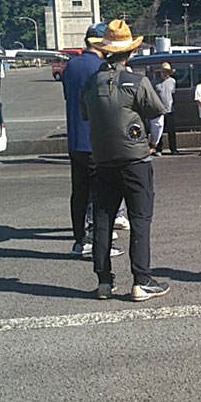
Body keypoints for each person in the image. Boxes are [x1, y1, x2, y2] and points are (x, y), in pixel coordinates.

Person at [80, 19, 169, 301]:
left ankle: (104, 281)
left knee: (103, 220)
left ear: (104, 50)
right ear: (129, 52)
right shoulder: (137, 82)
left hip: (102, 160)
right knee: (140, 219)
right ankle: (141, 280)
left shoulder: (90, 83)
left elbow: (86, 115)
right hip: (135, 160)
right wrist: (152, 144)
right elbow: (157, 115)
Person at [62, 23, 126, 258]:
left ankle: (79, 240)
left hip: (74, 139)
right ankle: (92, 240)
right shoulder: (101, 68)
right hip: (96, 140)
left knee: (79, 192)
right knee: (97, 193)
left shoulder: (70, 66)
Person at [152, 62, 178, 156]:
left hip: (170, 109)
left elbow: (173, 94)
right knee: (159, 131)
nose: (165, 74)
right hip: (159, 110)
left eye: (167, 72)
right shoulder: (155, 82)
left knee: (171, 131)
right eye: (163, 72)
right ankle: (158, 149)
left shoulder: (172, 81)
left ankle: (173, 149)